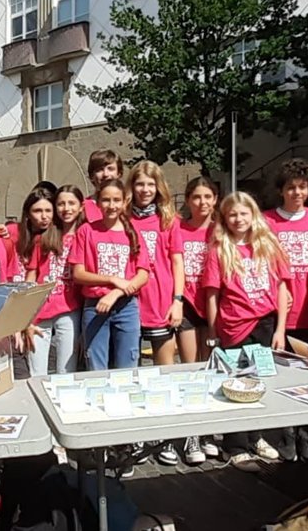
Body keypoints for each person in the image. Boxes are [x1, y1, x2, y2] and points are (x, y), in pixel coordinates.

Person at [203, 192, 291, 471]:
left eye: (243, 213)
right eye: (232, 215)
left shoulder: (268, 246)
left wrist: (281, 328)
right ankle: (236, 444)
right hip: (234, 326)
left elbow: (281, 289)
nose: (238, 219)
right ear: (224, 219)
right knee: (235, 385)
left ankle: (258, 436)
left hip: (264, 323)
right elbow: (213, 294)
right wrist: (214, 329)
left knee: (261, 382)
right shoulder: (220, 249)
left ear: (253, 215)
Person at [264, 158, 308, 464]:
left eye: (302, 187)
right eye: (291, 187)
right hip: (276, 310)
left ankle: (305, 433)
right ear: (281, 190)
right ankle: (284, 434)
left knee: (307, 371)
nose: (297, 192)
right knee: (278, 372)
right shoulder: (266, 221)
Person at [125, 161, 184, 467]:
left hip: (161, 300)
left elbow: (176, 263)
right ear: (131, 187)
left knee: (164, 374)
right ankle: (136, 435)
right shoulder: (122, 218)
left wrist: (178, 300)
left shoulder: (168, 220)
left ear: (158, 187)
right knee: (133, 373)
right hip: (131, 303)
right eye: (139, 184)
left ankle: (166, 438)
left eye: (150, 185)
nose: (145, 190)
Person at [70, 179, 150, 371]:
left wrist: (115, 293)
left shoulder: (133, 232)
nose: (111, 205)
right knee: (96, 366)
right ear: (97, 202)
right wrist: (112, 279)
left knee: (127, 366)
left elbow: (143, 274)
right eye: (106, 200)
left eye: (116, 200)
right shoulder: (86, 231)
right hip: (95, 306)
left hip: (126, 306)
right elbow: (78, 273)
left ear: (124, 202)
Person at [168, 176, 220, 465]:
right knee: (191, 369)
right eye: (196, 197)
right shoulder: (179, 227)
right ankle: (191, 435)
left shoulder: (221, 230)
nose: (202, 202)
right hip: (187, 302)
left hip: (213, 305)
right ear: (188, 200)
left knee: (211, 369)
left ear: (215, 199)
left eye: (207, 197)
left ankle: (208, 431)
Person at [25, 185, 84, 377]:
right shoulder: (44, 238)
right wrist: (26, 316)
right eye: (60, 204)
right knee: (37, 372)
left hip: (69, 309)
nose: (66, 208)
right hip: (40, 311)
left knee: (67, 371)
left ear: (81, 206)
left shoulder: (84, 235)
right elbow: (32, 275)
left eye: (71, 203)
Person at [83, 150, 124, 224]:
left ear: (119, 174)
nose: (105, 174)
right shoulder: (83, 207)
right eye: (99, 170)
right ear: (92, 176)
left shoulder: (128, 205)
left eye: (110, 169)